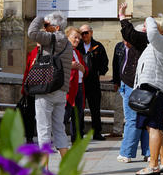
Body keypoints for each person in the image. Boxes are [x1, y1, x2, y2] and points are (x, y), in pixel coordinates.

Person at [119, 3, 163, 175]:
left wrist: (148, 16)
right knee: (154, 127)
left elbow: (150, 31)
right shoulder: (156, 44)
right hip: (153, 89)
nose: (146, 28)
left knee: (154, 127)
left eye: (151, 26)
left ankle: (153, 165)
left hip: (153, 90)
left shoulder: (161, 41)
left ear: (160, 29)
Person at [27, 11, 74, 163]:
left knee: (43, 129)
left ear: (57, 27)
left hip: (46, 87)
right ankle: (67, 166)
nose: (45, 28)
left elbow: (31, 32)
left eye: (47, 26)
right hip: (61, 89)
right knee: (59, 128)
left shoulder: (51, 38)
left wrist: (40, 17)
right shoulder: (67, 42)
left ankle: (43, 168)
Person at [112, 36, 150, 163]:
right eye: (124, 39)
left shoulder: (140, 48)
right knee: (140, 119)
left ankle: (126, 153)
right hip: (127, 84)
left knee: (133, 119)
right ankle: (148, 152)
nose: (126, 42)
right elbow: (116, 64)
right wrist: (116, 81)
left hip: (135, 85)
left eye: (129, 39)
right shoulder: (121, 47)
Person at [76, 24, 109, 140]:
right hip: (80, 82)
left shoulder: (98, 46)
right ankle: (79, 132)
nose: (84, 35)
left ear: (91, 33)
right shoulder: (77, 46)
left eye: (86, 32)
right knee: (79, 109)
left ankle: (96, 132)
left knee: (95, 108)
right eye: (82, 33)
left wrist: (99, 72)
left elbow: (105, 62)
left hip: (93, 82)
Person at [64, 27, 88, 142]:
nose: (78, 40)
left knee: (78, 116)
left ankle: (76, 141)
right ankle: (60, 142)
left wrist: (83, 69)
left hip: (79, 87)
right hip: (68, 88)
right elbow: (58, 65)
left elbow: (85, 69)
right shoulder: (63, 50)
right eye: (75, 37)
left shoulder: (77, 52)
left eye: (79, 38)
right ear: (67, 37)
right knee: (65, 115)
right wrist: (70, 65)